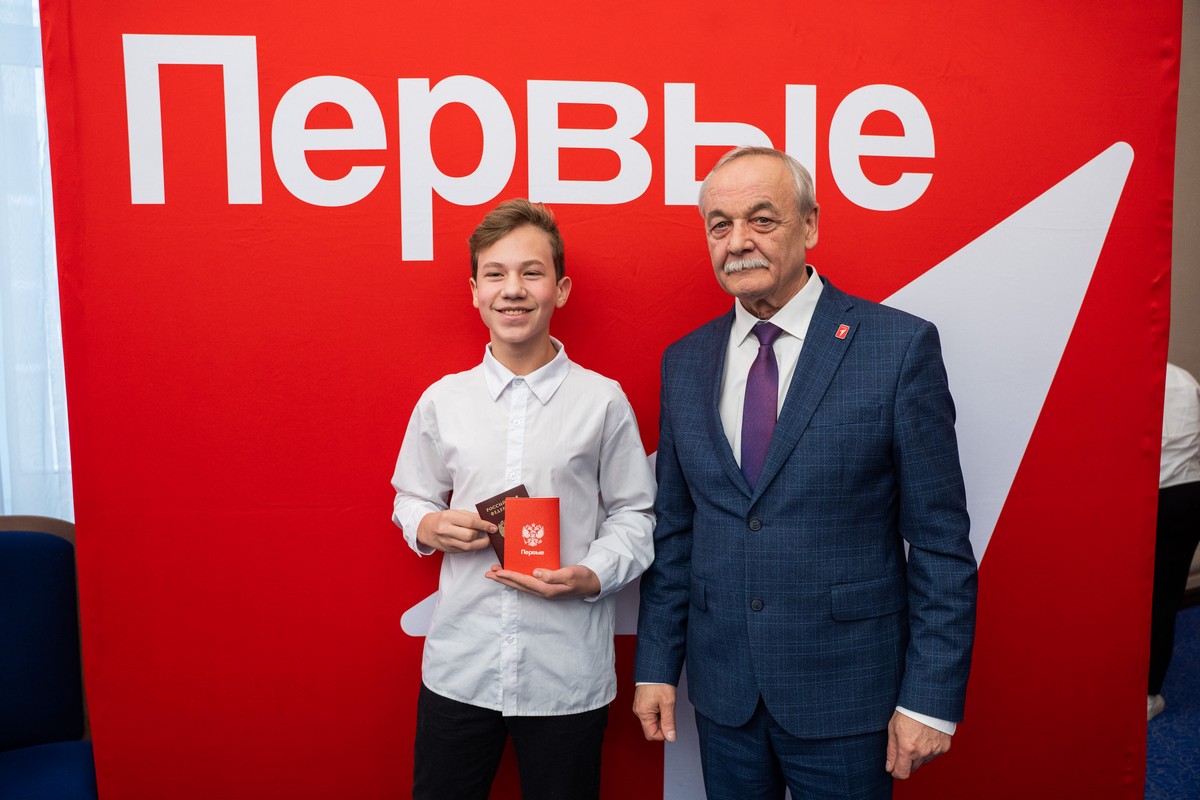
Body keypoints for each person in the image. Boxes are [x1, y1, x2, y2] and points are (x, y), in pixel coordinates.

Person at [632, 147, 978, 799]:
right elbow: (676, 532)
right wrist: (655, 664)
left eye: (762, 219)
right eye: (720, 225)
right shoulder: (684, 362)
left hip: (849, 693)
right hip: (725, 692)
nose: (738, 242)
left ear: (811, 225)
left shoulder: (898, 348)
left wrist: (930, 699)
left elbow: (939, 543)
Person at [391, 198, 656, 800]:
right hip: (461, 667)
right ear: (475, 292)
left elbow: (635, 514)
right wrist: (428, 525)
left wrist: (593, 574)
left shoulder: (603, 400)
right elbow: (410, 495)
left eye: (532, 273)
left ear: (560, 289)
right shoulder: (443, 400)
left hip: (565, 673)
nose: (513, 289)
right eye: (496, 274)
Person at [1147, 362, 1200, 721]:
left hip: (1147, 498)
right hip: (1190, 494)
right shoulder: (1185, 378)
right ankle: (1148, 697)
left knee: (1124, 598)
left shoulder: (1126, 379)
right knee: (1164, 601)